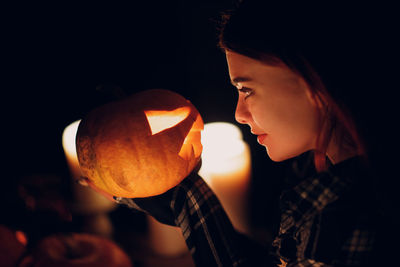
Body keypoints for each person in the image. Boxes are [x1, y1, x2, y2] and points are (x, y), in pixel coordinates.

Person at [82, 1, 398, 266]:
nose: (239, 114)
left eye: (246, 90)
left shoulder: (350, 224)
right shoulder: (315, 171)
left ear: (314, 82)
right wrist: (181, 200)